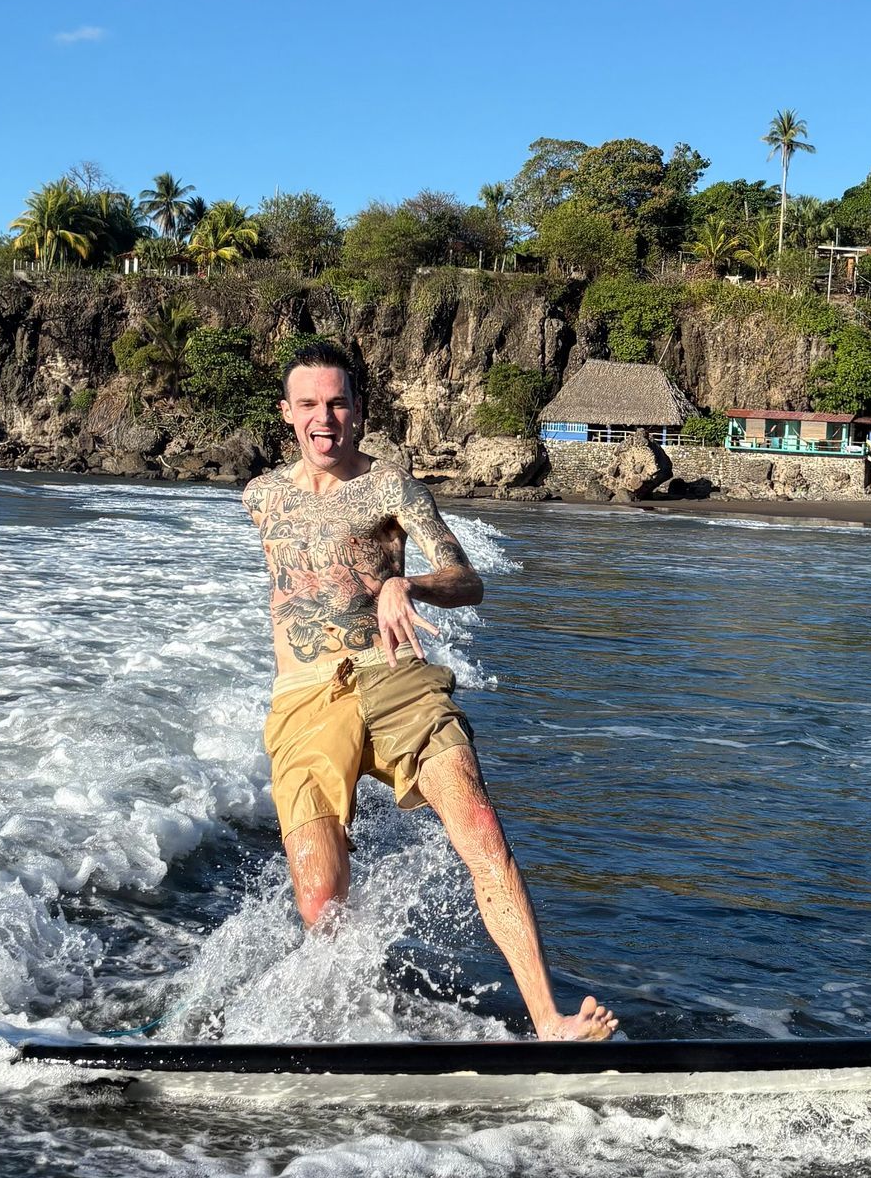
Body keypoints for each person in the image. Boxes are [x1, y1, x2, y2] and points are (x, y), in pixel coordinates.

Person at [242, 340, 618, 1043]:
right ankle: (339, 1033)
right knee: (321, 895)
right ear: (287, 413)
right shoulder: (260, 497)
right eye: (310, 405)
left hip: (395, 678)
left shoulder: (393, 489)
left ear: (359, 409)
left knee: (481, 830)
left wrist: (404, 582)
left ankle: (550, 1020)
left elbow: (467, 577)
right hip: (303, 700)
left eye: (338, 403)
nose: (325, 419)